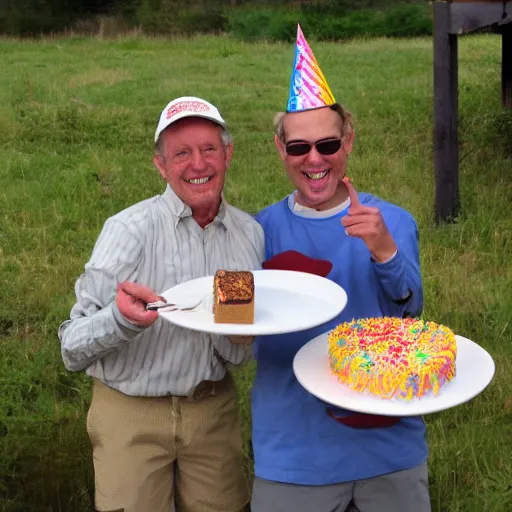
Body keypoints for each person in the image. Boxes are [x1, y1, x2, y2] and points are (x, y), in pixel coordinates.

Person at [250, 25, 428, 512]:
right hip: (293, 453)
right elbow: (230, 329)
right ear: (279, 149)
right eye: (299, 147)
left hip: (389, 445)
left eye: (327, 145)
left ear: (348, 141)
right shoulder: (253, 231)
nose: (314, 159)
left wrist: (384, 250)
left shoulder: (392, 220)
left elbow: (411, 315)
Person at [58, 96, 264, 512]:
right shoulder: (127, 231)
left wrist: (240, 336)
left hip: (211, 409)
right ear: (161, 165)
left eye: (209, 149)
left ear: (228, 154)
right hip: (131, 413)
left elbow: (236, 352)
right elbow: (70, 347)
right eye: (182, 153)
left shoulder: (248, 235)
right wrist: (121, 320)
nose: (198, 165)